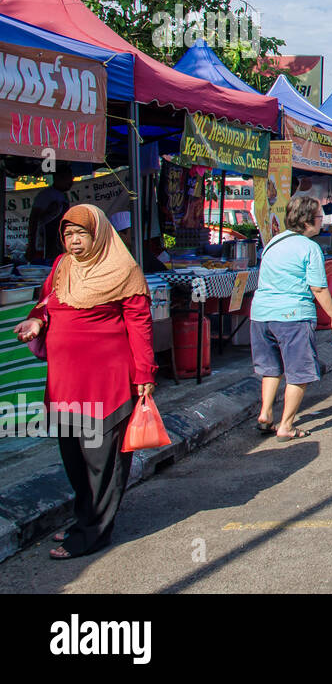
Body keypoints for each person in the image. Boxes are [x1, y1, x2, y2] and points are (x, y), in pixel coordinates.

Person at [15, 205, 155, 560]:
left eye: (82, 234)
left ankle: (92, 533)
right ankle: (85, 518)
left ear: (99, 234)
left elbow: (139, 324)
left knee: (100, 460)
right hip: (64, 382)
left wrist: (144, 375)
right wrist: (36, 321)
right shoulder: (62, 266)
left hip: (105, 383)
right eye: (68, 235)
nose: (74, 242)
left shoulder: (124, 270)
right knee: (74, 455)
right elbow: (46, 303)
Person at [250, 195, 332, 441]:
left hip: (261, 314)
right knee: (299, 372)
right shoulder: (309, 247)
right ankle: (286, 425)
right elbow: (319, 289)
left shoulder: (273, 242)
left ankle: (265, 414)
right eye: (321, 217)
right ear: (308, 221)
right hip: (292, 315)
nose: (323, 222)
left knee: (271, 368)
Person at [26, 165, 74, 264]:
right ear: (57, 178)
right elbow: (33, 219)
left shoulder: (63, 195)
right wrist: (31, 245)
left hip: (58, 243)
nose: (71, 183)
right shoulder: (46, 195)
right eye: (68, 179)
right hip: (45, 243)